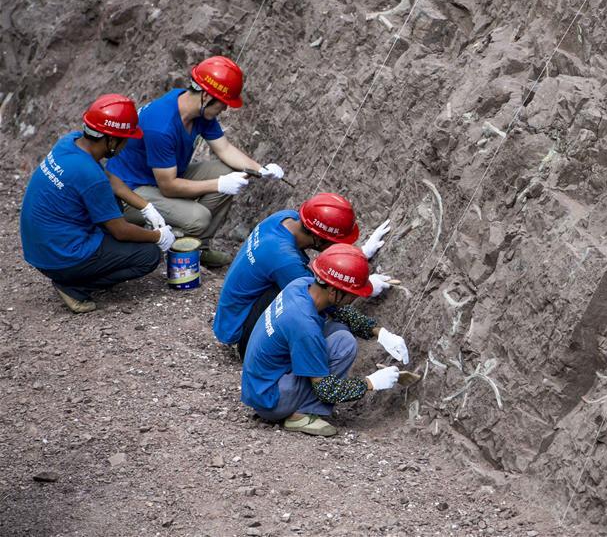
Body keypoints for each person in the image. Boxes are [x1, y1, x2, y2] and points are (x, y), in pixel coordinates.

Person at [106, 55, 285, 268]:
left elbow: (224, 149)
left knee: (223, 169)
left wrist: (261, 169)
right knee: (199, 217)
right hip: (130, 192)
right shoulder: (161, 125)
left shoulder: (196, 110)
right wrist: (219, 184)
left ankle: (198, 247)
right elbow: (169, 187)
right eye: (223, 103)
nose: (225, 109)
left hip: (159, 177)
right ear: (207, 96)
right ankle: (179, 249)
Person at [20, 94, 175, 313]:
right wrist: (158, 236)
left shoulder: (70, 142)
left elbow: (110, 180)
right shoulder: (89, 175)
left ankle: (81, 271)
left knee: (114, 205)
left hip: (41, 248)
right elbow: (120, 231)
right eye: (125, 139)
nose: (127, 144)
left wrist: (146, 207)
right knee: (148, 256)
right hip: (61, 256)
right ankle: (74, 285)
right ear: (111, 140)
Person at [241, 244, 409, 436]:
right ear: (334, 293)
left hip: (259, 384)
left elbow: (341, 311)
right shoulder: (304, 326)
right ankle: (300, 413)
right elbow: (326, 390)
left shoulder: (303, 285)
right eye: (352, 294)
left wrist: (380, 334)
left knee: (340, 332)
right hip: (271, 400)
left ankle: (298, 403)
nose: (354, 298)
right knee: (343, 344)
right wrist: (370, 383)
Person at [212, 192, 393, 358]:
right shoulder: (285, 260)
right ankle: (257, 352)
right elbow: (327, 297)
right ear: (319, 238)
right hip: (240, 329)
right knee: (308, 303)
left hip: (231, 316)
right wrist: (362, 288)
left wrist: (359, 255)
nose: (335, 246)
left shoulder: (285, 217)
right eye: (335, 243)